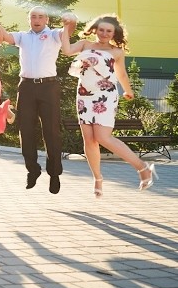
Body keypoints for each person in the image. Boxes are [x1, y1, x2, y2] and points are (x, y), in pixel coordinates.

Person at [61, 14, 157, 196]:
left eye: (108, 31)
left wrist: (128, 90)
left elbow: (121, 74)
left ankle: (142, 167)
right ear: (95, 29)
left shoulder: (117, 52)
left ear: (114, 33)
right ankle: (97, 178)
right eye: (101, 29)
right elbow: (66, 50)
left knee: (103, 137)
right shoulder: (84, 44)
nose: (104, 33)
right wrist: (66, 28)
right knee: (89, 139)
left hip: (105, 95)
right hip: (84, 96)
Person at [0, 5, 66, 194]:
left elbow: (67, 30)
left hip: (48, 87)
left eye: (40, 16)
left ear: (46, 19)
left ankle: (54, 174)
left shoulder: (54, 35)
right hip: (27, 87)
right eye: (33, 17)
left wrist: (69, 22)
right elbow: (3, 36)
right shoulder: (23, 37)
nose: (37, 20)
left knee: (51, 131)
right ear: (29, 20)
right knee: (25, 129)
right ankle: (33, 169)